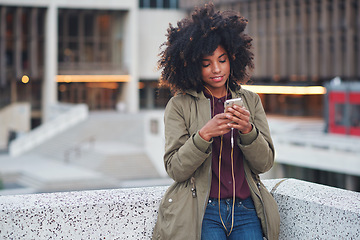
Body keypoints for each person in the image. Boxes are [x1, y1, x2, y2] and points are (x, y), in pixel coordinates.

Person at [152, 3, 280, 240]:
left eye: (222, 60)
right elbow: (175, 169)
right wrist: (203, 136)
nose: (216, 69)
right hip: (205, 211)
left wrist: (248, 131)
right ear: (192, 66)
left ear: (233, 58)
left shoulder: (250, 101)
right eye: (206, 63)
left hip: (247, 210)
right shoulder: (179, 105)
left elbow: (265, 164)